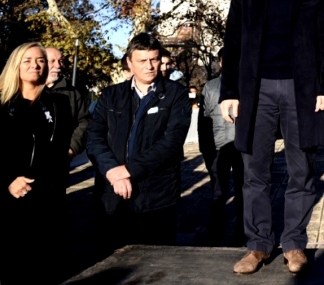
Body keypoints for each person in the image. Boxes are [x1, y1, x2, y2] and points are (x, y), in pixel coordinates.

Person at [220, 0, 324, 275]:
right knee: (255, 172)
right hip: (256, 91)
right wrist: (230, 92)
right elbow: (233, 42)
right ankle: (257, 246)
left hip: (302, 92)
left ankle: (294, 244)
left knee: (302, 170)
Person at [86, 33, 191, 249]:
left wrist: (129, 170)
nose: (150, 66)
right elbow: (94, 138)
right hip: (112, 193)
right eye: (142, 61)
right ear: (129, 62)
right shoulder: (110, 95)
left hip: (156, 195)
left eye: (154, 59)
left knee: (154, 261)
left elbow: (171, 143)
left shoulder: (176, 94)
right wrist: (113, 172)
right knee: (110, 259)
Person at [0, 43, 73, 284]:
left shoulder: (58, 104)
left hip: (49, 200)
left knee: (46, 270)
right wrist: (8, 180)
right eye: (28, 60)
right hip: (13, 201)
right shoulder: (3, 104)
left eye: (41, 60)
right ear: (16, 66)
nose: (36, 65)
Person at [201, 47, 244, 244]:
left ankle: (245, 230)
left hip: (243, 148)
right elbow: (204, 121)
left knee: (244, 190)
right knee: (218, 192)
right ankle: (216, 231)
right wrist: (206, 150)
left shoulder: (247, 85)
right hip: (218, 149)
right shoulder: (210, 87)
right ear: (220, 63)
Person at [44, 46, 90, 158]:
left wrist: (72, 148)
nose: (58, 66)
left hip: (60, 161)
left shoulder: (73, 93)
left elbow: (84, 122)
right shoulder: (29, 89)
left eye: (60, 61)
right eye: (52, 61)